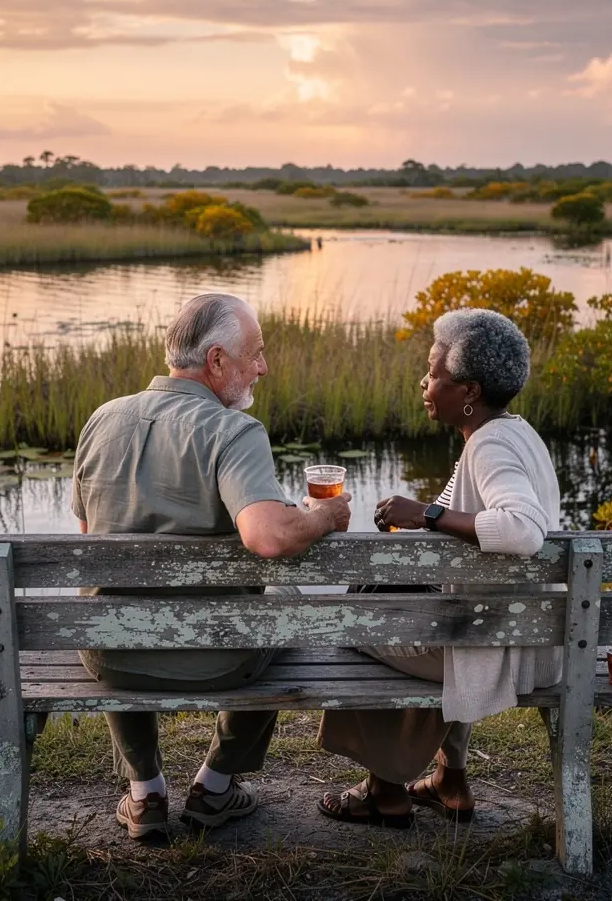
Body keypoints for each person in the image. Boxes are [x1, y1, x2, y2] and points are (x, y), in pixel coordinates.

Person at [71, 292, 351, 838]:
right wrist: (323, 516)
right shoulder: (233, 432)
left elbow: (89, 546)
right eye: (256, 353)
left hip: (110, 653)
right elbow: (267, 537)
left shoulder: (101, 420)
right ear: (218, 361)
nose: (263, 366)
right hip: (217, 658)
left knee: (110, 603)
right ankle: (216, 785)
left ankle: (145, 793)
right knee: (286, 604)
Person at [316, 308, 561, 827]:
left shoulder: (490, 446)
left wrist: (425, 513)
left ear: (468, 390)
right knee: (388, 596)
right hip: (519, 638)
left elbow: (522, 528)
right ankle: (450, 779)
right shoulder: (514, 433)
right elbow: (470, 523)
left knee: (353, 620)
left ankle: (384, 789)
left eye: (434, 375)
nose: (423, 383)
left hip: (490, 651)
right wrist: (425, 522)